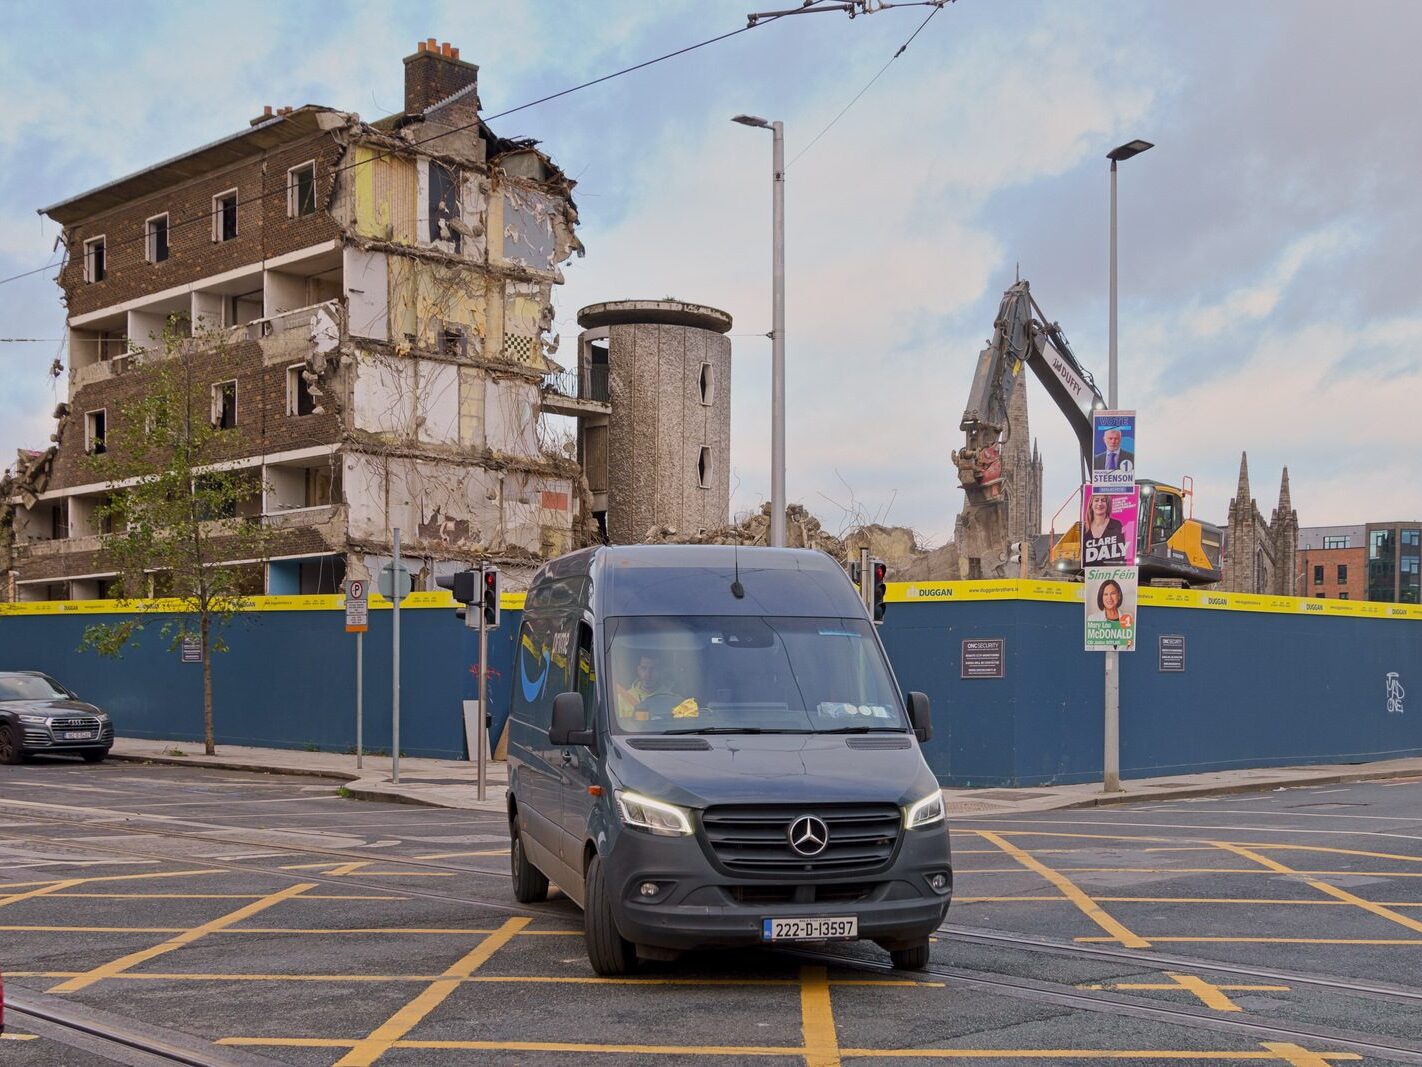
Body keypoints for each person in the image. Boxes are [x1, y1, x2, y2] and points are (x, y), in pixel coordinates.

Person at [615, 653, 675, 723]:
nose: (648, 674)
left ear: (660, 671)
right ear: (638, 670)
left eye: (653, 669)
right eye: (644, 668)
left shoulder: (674, 701)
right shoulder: (621, 700)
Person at [1082, 493, 1128, 564]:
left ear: (1107, 505)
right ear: (1091, 504)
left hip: (1109, 572)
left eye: (1103, 500)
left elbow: (1121, 554)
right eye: (1096, 500)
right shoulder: (1084, 528)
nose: (1099, 503)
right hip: (1089, 572)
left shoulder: (1116, 524)